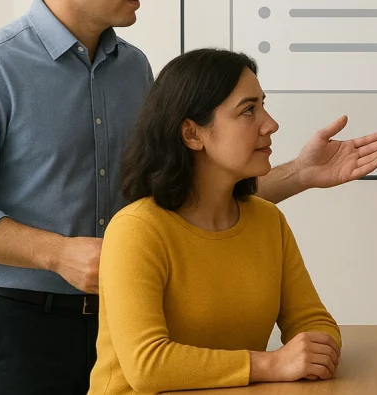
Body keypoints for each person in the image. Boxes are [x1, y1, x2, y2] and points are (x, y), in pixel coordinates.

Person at [0, 0, 377, 395]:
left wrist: (300, 173)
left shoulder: (136, 69)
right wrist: (57, 254)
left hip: (137, 322)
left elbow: (180, 195)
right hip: (20, 323)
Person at [88, 48, 341, 394]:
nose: (271, 124)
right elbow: (147, 367)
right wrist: (271, 363)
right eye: (248, 110)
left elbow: (314, 321)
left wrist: (316, 349)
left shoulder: (269, 222)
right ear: (192, 134)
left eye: (263, 105)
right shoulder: (137, 230)